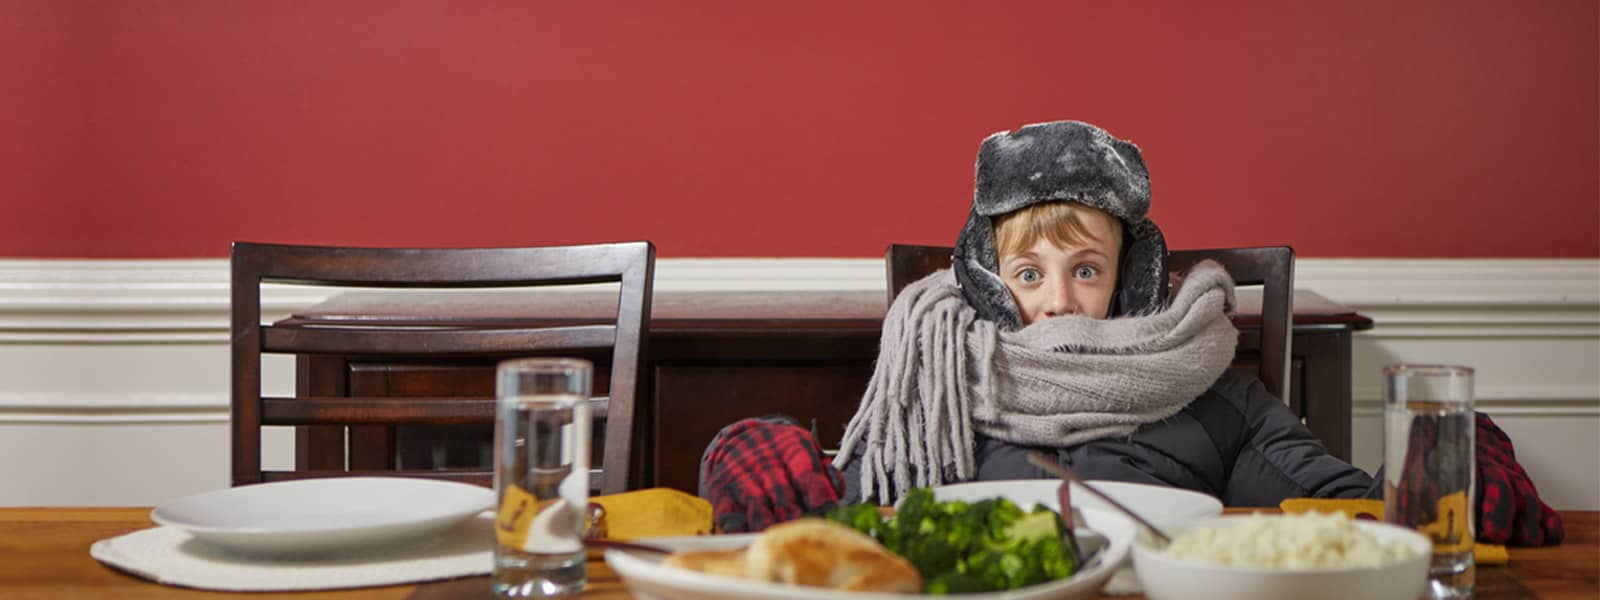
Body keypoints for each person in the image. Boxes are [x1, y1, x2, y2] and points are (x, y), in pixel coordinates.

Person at [698, 121, 1562, 547]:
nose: (1061, 300)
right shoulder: (946, 378)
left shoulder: (1207, 381)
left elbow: (1335, 506)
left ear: (1132, 275)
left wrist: (1450, 466)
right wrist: (755, 454)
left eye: (1086, 270)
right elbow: (848, 498)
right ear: (997, 287)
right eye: (1030, 275)